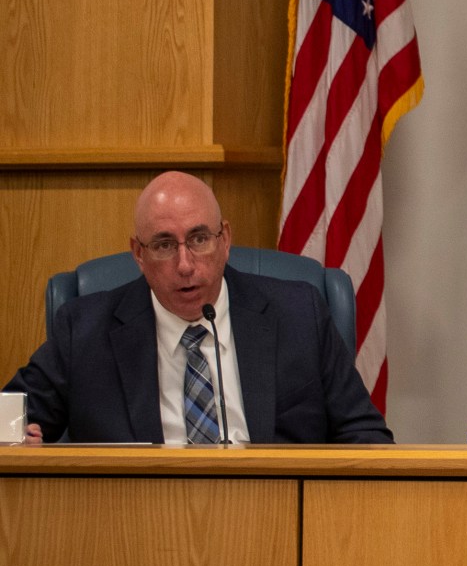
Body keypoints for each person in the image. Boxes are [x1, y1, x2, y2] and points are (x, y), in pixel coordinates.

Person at [6, 172, 392, 445]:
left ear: (225, 239)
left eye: (199, 239)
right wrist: (14, 439)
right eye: (163, 245)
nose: (186, 264)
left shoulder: (298, 315)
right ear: (138, 255)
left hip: (277, 526)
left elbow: (367, 437)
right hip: (132, 534)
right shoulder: (85, 330)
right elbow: (8, 420)